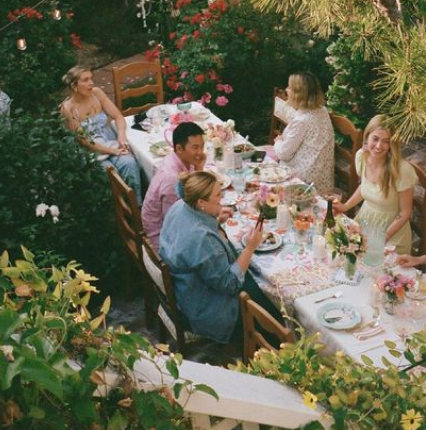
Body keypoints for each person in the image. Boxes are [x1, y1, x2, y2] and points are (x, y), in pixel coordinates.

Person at [159, 171, 283, 344]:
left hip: (186, 288)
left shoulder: (180, 206)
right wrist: (250, 247)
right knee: (275, 312)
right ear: (201, 202)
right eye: (217, 195)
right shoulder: (201, 238)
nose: (222, 198)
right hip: (207, 308)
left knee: (262, 286)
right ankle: (265, 355)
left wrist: (215, 220)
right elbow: (230, 283)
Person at [333, 114, 417, 254]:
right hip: (365, 222)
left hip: (392, 234)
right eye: (375, 139)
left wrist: (384, 237)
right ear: (367, 137)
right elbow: (364, 187)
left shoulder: (402, 171)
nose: (379, 146)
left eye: (386, 141)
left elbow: (405, 213)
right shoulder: (362, 156)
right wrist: (346, 206)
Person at [60, 66, 142, 202]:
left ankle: (136, 205)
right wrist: (111, 151)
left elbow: (118, 116)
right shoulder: (68, 108)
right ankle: (117, 207)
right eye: (86, 80)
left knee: (130, 164)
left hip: (109, 140)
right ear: (74, 86)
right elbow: (84, 141)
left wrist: (121, 136)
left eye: (91, 78)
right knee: (110, 173)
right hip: (90, 151)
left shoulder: (97, 93)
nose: (91, 83)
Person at [141, 122, 206, 251]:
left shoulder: (180, 158)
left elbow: (195, 187)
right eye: (195, 147)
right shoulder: (172, 178)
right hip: (162, 235)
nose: (200, 152)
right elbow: (172, 221)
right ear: (179, 148)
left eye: (202, 147)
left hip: (170, 220)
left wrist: (199, 168)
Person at [273, 71, 334, 193]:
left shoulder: (301, 121)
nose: (286, 90)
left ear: (298, 94)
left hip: (303, 183)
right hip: (323, 179)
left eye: (290, 87)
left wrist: (278, 141)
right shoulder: (322, 110)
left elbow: (283, 154)